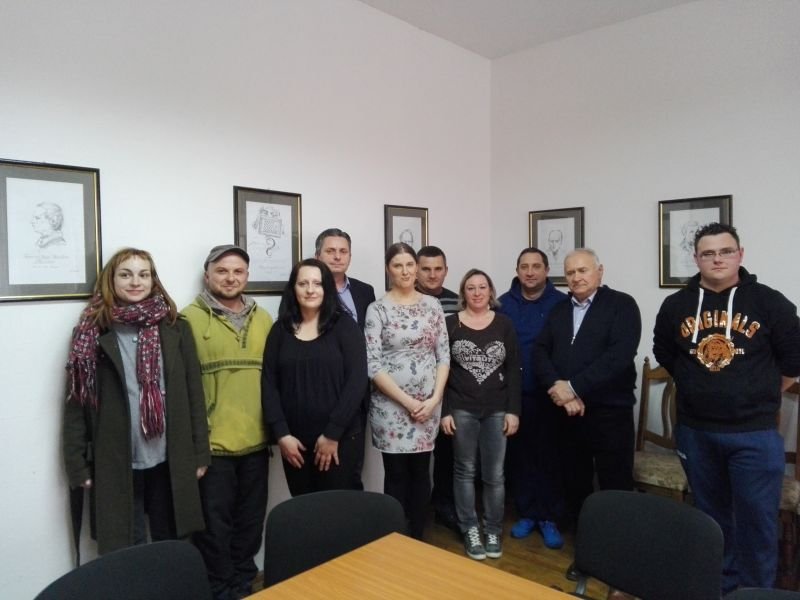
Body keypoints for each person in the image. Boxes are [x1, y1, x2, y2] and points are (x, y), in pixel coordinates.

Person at [653, 222, 800, 593]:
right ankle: (721, 589)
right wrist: (697, 384)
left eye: (725, 251)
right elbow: (664, 351)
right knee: (713, 522)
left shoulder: (769, 302)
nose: (717, 259)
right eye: (708, 253)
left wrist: (761, 392)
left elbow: (794, 358)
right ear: (696, 259)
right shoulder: (676, 305)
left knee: (757, 524)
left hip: (754, 435)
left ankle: (756, 594)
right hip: (696, 433)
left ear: (740, 255)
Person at [63, 248, 209, 555]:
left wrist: (200, 454)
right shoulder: (90, 333)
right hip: (117, 459)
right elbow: (77, 404)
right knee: (127, 547)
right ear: (111, 280)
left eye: (144, 274)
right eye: (126, 274)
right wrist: (77, 466)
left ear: (153, 280)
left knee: (173, 542)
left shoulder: (176, 327)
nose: (135, 282)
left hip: (169, 457)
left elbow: (194, 393)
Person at [183, 244, 273, 600]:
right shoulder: (187, 320)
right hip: (213, 446)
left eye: (238, 271)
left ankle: (244, 583)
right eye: (222, 271)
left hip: (256, 441)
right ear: (207, 275)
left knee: (250, 522)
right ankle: (219, 588)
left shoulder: (264, 319)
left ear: (247, 276)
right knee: (213, 526)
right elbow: (182, 388)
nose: (230, 278)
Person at [533, 248, 641, 526]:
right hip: (569, 413)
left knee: (615, 483)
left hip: (610, 413)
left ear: (599, 271)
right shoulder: (559, 309)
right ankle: (583, 541)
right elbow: (540, 351)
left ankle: (616, 545)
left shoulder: (622, 305)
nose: (576, 277)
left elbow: (618, 357)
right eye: (570, 272)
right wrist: (559, 388)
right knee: (574, 481)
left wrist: (573, 388)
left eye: (583, 270)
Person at [365, 243, 450, 540]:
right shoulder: (377, 309)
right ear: (388, 269)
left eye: (409, 265)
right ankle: (395, 539)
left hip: (428, 406)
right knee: (397, 475)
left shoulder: (433, 305)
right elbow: (373, 364)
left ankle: (417, 537)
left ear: (416, 268)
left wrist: (434, 399)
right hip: (391, 409)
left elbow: (443, 356)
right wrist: (408, 401)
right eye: (398, 265)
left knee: (421, 474)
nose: (405, 271)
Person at [262, 258, 368, 495]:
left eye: (317, 284)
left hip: (340, 440)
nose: (310, 290)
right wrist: (281, 434)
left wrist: (332, 433)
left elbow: (357, 381)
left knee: (339, 509)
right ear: (293, 288)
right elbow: (268, 384)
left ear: (327, 288)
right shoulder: (280, 330)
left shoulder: (345, 327)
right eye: (303, 284)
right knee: (304, 509)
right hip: (295, 445)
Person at [441, 269, 520, 560]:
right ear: (463, 292)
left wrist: (513, 411)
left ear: (491, 291)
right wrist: (444, 412)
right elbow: (441, 370)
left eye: (482, 287)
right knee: (464, 471)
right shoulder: (451, 324)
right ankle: (470, 528)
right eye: (471, 287)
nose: (477, 292)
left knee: (495, 474)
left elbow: (514, 370)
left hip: (497, 409)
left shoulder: (504, 324)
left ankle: (493, 529)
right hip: (461, 408)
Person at [497, 247, 567, 549]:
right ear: (517, 271)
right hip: (516, 394)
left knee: (551, 457)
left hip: (552, 395)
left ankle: (549, 517)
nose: (530, 272)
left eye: (536, 266)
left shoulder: (561, 303)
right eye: (524, 266)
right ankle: (527, 513)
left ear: (547, 270)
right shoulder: (503, 304)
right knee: (521, 458)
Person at [315, 228, 375, 490]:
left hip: (356, 394)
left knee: (351, 471)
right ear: (318, 256)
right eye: (330, 251)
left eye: (343, 251)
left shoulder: (364, 291)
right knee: (319, 475)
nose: (337, 257)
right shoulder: (305, 290)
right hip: (319, 393)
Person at [416, 245, 460, 531]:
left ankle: (444, 506)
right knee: (417, 460)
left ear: (446, 271)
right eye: (426, 269)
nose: (432, 275)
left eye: (438, 269)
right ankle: (415, 513)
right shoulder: (402, 299)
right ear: (416, 270)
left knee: (448, 453)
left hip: (451, 389)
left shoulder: (459, 301)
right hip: (414, 392)